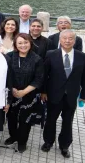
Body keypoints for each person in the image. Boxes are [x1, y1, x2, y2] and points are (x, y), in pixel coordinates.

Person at [41, 30, 85, 158]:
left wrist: (83, 95)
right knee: (50, 119)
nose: (67, 41)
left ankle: (64, 145)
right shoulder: (51, 54)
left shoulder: (82, 56)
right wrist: (43, 91)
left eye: (70, 38)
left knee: (68, 121)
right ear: (60, 39)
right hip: (53, 93)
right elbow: (45, 75)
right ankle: (48, 142)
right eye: (64, 38)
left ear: (75, 40)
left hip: (71, 95)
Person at [5, 33, 44, 153]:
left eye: (26, 42)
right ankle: (13, 136)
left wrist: (23, 92)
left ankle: (22, 142)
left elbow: (38, 79)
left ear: (30, 43)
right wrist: (12, 89)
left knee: (25, 120)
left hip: (29, 94)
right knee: (11, 117)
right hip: (12, 92)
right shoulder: (9, 56)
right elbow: (4, 75)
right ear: (15, 45)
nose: (23, 45)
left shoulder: (36, 59)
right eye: (20, 43)